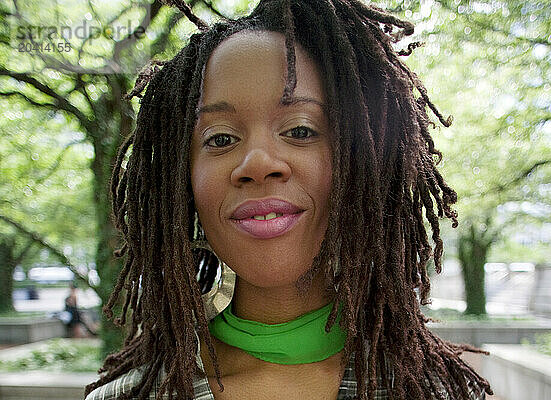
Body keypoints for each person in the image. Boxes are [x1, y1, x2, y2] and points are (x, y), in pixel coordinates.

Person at [85, 0, 492, 398]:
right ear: (182, 184)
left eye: (300, 130)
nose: (257, 163)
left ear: (364, 165)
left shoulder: (433, 391)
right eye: (221, 138)